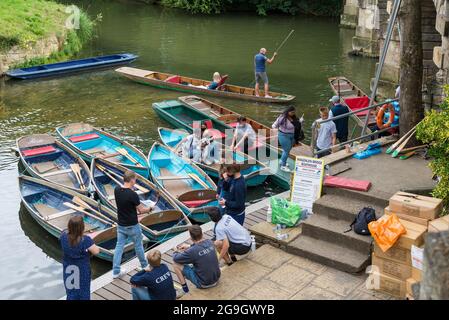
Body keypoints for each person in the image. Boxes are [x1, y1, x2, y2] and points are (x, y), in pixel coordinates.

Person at [112, 170, 153, 278]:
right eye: (135, 179)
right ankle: (144, 266)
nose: (135, 181)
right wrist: (150, 208)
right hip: (133, 225)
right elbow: (141, 210)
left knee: (119, 247)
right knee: (138, 246)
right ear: (131, 180)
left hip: (121, 225)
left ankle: (116, 271)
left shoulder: (116, 190)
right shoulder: (133, 194)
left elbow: (126, 199)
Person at [173, 225, 221, 296]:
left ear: (191, 237)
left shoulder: (192, 251)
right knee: (198, 261)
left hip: (204, 284)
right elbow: (199, 248)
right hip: (217, 279)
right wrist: (189, 246)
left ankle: (185, 290)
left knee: (175, 264)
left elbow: (176, 258)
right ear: (202, 234)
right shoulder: (209, 242)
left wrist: (175, 251)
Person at [60, 215, 100, 300]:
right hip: (81, 270)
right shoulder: (85, 240)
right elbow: (96, 251)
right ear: (82, 227)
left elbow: (64, 231)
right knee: (83, 293)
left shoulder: (63, 236)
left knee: (71, 292)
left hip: (69, 268)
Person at [272, 106, 304, 172]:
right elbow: (274, 125)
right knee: (286, 150)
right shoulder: (282, 118)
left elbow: (297, 126)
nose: (293, 113)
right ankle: (282, 166)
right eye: (292, 112)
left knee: (288, 150)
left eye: (294, 112)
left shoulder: (294, 117)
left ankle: (282, 161)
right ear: (288, 112)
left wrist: (300, 122)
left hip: (293, 136)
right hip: (283, 135)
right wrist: (275, 132)